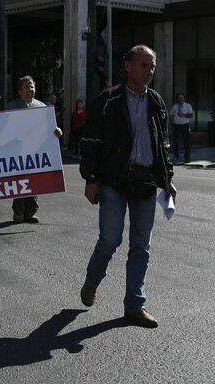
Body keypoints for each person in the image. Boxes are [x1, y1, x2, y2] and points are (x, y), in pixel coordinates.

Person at [79, 44, 177, 328]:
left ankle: (135, 305)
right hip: (113, 180)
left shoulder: (156, 101)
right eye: (143, 65)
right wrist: (91, 178)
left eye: (152, 66)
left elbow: (163, 145)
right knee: (110, 240)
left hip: (145, 181)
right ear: (128, 66)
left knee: (141, 248)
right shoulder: (108, 100)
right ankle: (92, 280)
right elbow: (91, 141)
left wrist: (168, 179)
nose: (149, 71)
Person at [6, 76, 63, 223]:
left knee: (35, 181)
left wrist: (56, 131)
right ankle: (18, 212)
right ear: (19, 91)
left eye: (32, 87)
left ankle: (30, 212)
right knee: (20, 182)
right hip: (18, 151)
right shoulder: (11, 107)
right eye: (26, 87)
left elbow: (49, 129)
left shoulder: (43, 107)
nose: (30, 90)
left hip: (37, 152)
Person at [169, 93, 194, 164]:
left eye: (182, 98)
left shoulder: (187, 106)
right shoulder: (174, 107)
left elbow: (191, 115)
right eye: (179, 98)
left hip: (184, 125)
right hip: (176, 125)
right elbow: (171, 116)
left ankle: (187, 158)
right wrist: (171, 125)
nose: (181, 99)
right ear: (177, 99)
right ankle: (176, 155)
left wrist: (184, 115)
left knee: (186, 142)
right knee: (175, 141)